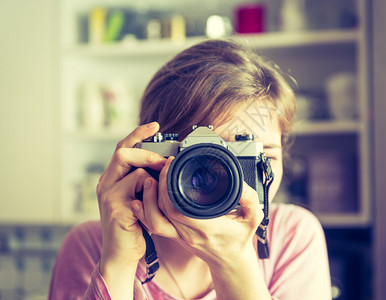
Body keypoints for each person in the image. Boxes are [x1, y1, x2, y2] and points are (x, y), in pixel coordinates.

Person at [49, 39, 331, 300]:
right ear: (148, 154)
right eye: (203, 159)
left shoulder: (291, 235)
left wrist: (233, 260)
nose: (224, 179)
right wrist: (119, 261)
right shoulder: (93, 244)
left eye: (261, 157)